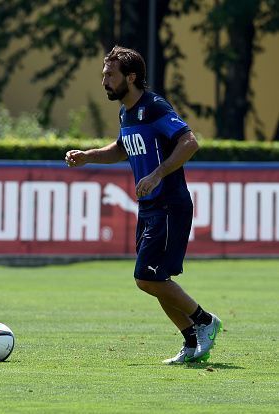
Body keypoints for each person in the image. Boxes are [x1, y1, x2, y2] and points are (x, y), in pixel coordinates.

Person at [65, 46, 222, 364]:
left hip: (169, 205)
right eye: (104, 75)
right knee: (156, 280)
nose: (105, 81)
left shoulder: (154, 107)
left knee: (147, 278)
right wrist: (88, 156)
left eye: (110, 75)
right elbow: (122, 149)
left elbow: (189, 142)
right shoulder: (126, 112)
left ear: (131, 77)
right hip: (150, 207)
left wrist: (158, 173)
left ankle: (205, 321)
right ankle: (192, 342)